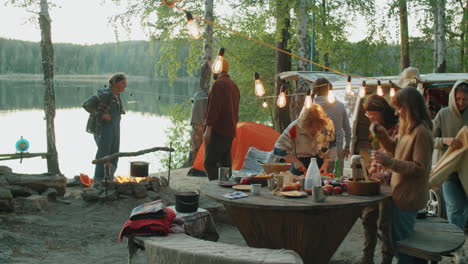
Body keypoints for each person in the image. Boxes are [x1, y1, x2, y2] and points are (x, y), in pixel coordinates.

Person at [371, 88, 433, 264]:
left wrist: (388, 162)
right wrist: (382, 134)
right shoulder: (407, 128)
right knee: (401, 243)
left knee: (405, 247)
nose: (397, 112)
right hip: (400, 194)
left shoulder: (421, 132)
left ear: (411, 107)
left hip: (409, 197)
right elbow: (396, 150)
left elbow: (420, 168)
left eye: (400, 108)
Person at [360, 94, 399, 264]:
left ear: (383, 112)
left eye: (373, 115)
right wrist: (372, 172)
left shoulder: (397, 129)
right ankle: (367, 258)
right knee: (368, 218)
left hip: (391, 184)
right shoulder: (375, 129)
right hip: (376, 183)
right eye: (368, 116)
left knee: (385, 224)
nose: (371, 119)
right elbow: (376, 156)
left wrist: (386, 174)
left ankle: (386, 259)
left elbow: (399, 157)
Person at [433, 80, 468, 230]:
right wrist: (444, 141)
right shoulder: (443, 114)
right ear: (453, 97)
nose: (461, 103)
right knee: (454, 209)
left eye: (465, 99)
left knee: (464, 209)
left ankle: (458, 240)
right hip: (449, 171)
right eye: (458, 99)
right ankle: (456, 249)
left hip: (467, 171)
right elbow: (429, 139)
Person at [83, 73, 126, 186]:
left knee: (114, 154)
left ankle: (109, 178)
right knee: (103, 155)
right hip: (104, 130)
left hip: (115, 129)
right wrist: (101, 115)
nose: (125, 86)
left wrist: (118, 115)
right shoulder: (105, 94)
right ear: (115, 83)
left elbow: (117, 110)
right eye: (123, 83)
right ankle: (98, 181)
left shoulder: (117, 96)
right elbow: (86, 105)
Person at [203, 59, 240, 181]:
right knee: (225, 164)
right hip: (230, 131)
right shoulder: (234, 85)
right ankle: (226, 190)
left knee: (210, 163)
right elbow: (236, 111)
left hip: (217, 131)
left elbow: (214, 109)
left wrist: (208, 130)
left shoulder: (218, 84)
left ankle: (217, 190)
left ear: (218, 69)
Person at [274, 104, 336, 175]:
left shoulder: (328, 125)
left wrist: (326, 164)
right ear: (305, 123)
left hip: (319, 164)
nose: (315, 130)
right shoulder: (294, 127)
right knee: (296, 185)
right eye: (311, 127)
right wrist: (295, 161)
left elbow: (332, 145)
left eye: (318, 127)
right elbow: (279, 147)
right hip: (299, 165)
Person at [312, 77, 352, 175]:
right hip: (337, 148)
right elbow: (347, 129)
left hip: (315, 149)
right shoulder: (340, 106)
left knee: (317, 179)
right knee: (336, 179)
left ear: (315, 90)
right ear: (329, 89)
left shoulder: (310, 107)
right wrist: (347, 146)